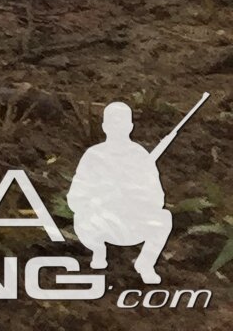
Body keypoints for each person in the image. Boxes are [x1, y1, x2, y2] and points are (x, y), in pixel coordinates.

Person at [68, 102, 174, 284]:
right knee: (81, 218)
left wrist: (137, 195)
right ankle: (98, 251)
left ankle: (145, 263)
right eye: (112, 122)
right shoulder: (94, 155)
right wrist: (98, 199)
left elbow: (157, 197)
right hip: (100, 220)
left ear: (130, 126)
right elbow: (76, 196)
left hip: (131, 221)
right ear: (104, 127)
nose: (117, 127)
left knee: (164, 218)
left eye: (122, 122)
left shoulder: (140, 156)